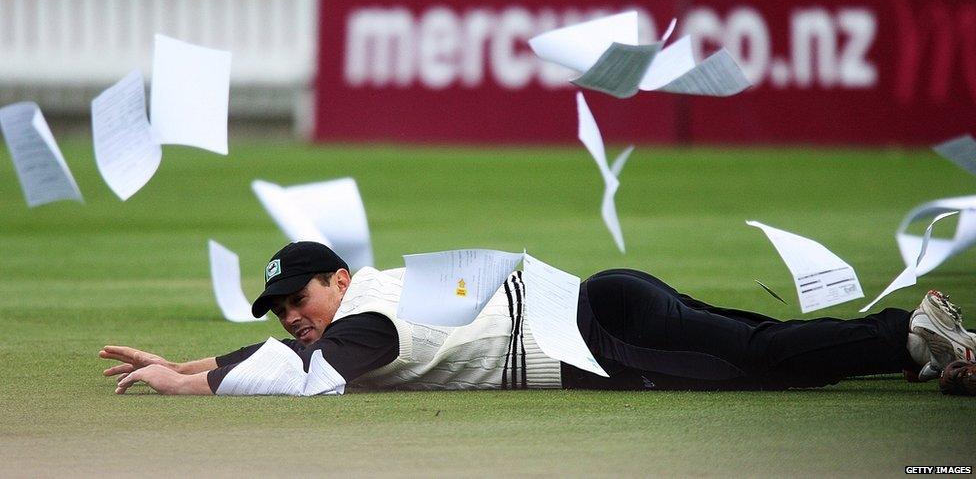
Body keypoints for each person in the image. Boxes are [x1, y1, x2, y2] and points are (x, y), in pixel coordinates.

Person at [100, 241, 976, 396]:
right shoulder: (373, 292)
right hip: (606, 300)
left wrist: (192, 380)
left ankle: (909, 332)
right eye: (282, 309)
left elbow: (302, 376)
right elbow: (306, 352)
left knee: (766, 361)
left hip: (604, 334)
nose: (295, 317)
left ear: (337, 278)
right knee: (763, 345)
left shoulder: (366, 321)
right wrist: (188, 361)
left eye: (300, 299)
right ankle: (924, 343)